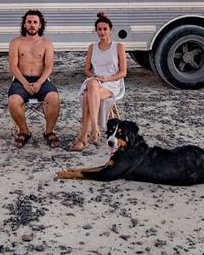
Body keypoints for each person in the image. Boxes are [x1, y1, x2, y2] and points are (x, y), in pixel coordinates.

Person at [70, 12, 126, 151]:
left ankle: (84, 136)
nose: (102, 32)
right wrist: (95, 76)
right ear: (96, 31)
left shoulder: (118, 46)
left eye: (105, 29)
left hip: (112, 82)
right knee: (91, 83)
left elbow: (123, 72)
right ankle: (95, 128)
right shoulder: (92, 47)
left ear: (110, 30)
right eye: (99, 29)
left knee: (86, 96)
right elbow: (87, 70)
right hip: (95, 80)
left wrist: (107, 78)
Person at [7, 9, 61, 149]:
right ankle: (24, 131)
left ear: (40, 25)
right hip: (20, 80)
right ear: (24, 24)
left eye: (35, 22)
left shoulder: (46, 43)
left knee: (54, 97)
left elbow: (49, 66)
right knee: (13, 101)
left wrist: (39, 83)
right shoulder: (16, 42)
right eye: (29, 22)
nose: (32, 25)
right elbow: (13, 66)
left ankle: (49, 131)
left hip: (42, 80)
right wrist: (24, 83)